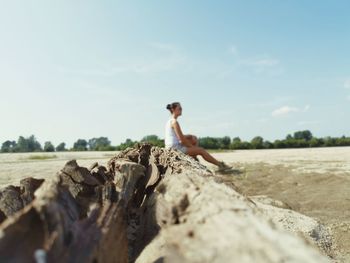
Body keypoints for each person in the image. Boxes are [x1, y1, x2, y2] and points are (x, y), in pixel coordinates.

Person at [164, 102, 232, 172]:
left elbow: (177, 137)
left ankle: (194, 158)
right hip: (175, 149)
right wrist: (194, 148)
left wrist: (190, 136)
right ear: (173, 109)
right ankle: (220, 165)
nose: (181, 110)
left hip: (173, 146)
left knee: (194, 139)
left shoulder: (170, 121)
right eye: (180, 108)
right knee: (201, 150)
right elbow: (182, 140)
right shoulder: (174, 122)